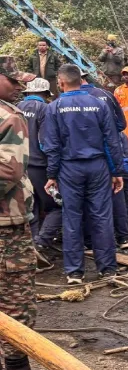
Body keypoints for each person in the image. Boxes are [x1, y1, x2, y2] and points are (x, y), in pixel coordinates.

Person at [0, 56, 60, 370]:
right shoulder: (10, 117)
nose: (18, 86)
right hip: (7, 223)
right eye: (11, 80)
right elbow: (8, 174)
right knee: (16, 295)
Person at [43, 64, 124, 284]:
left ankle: (74, 272)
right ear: (81, 80)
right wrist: (116, 170)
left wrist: (52, 174)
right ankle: (107, 269)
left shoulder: (55, 107)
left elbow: (52, 145)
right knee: (101, 216)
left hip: (69, 169)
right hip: (98, 166)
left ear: (60, 82)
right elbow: (112, 141)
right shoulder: (98, 104)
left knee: (72, 217)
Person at [18, 78, 62, 250]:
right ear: (45, 94)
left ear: (27, 92)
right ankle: (42, 242)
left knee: (31, 206)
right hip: (40, 168)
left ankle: (32, 246)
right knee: (56, 206)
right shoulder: (45, 109)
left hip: (21, 167)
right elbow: (46, 143)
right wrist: (54, 171)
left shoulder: (17, 108)